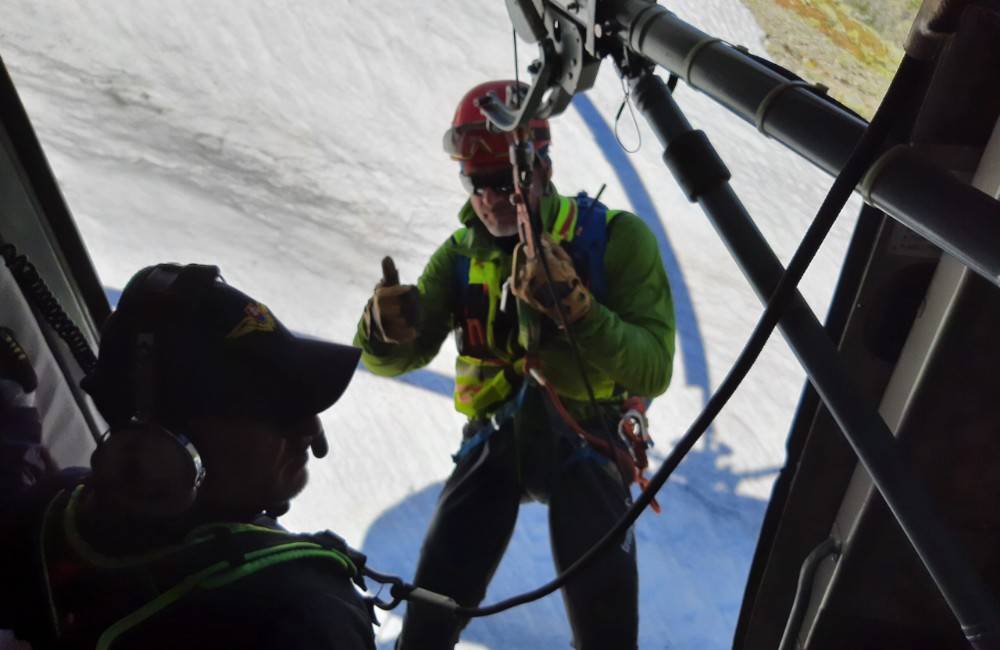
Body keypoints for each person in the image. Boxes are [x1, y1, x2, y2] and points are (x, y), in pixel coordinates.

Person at [355, 80, 676, 649]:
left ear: (540, 169)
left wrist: (582, 315)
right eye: (476, 184)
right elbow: (400, 356)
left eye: (502, 182)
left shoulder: (616, 241)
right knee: (431, 609)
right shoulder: (460, 256)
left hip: (591, 439)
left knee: (606, 628)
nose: (490, 200)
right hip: (494, 440)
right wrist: (380, 333)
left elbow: (653, 369)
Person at [1, 263, 376, 650]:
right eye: (276, 411)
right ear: (162, 448)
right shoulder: (309, 614)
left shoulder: (54, 511)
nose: (311, 430)